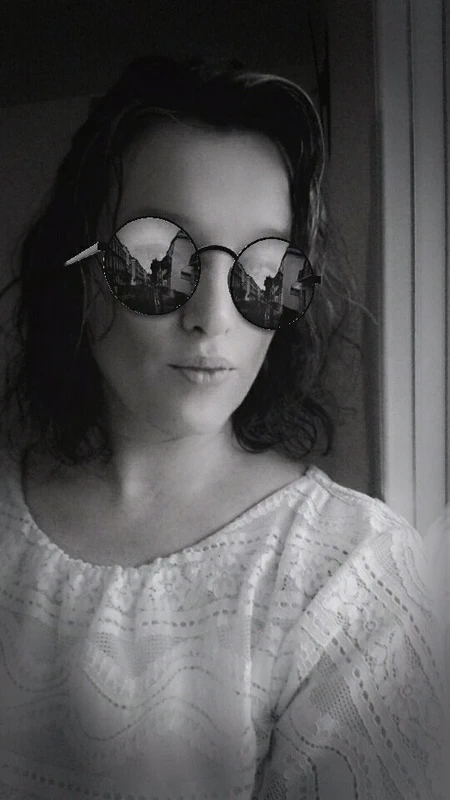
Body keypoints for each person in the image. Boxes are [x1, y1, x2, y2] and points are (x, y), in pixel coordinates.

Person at [0, 54, 443, 799]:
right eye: (156, 260)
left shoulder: (348, 576)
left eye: (266, 273)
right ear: (81, 271)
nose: (214, 316)